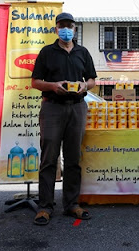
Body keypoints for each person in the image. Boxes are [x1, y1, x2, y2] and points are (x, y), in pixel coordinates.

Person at [31, 12, 97, 226]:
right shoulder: (47, 52)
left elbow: (92, 80)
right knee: (49, 159)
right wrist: (52, 86)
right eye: (62, 26)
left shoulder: (83, 52)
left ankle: (71, 204)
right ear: (56, 29)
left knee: (73, 159)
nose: (66, 29)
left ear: (75, 29)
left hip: (77, 108)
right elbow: (35, 82)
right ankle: (45, 207)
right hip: (52, 108)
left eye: (70, 26)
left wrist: (84, 86)